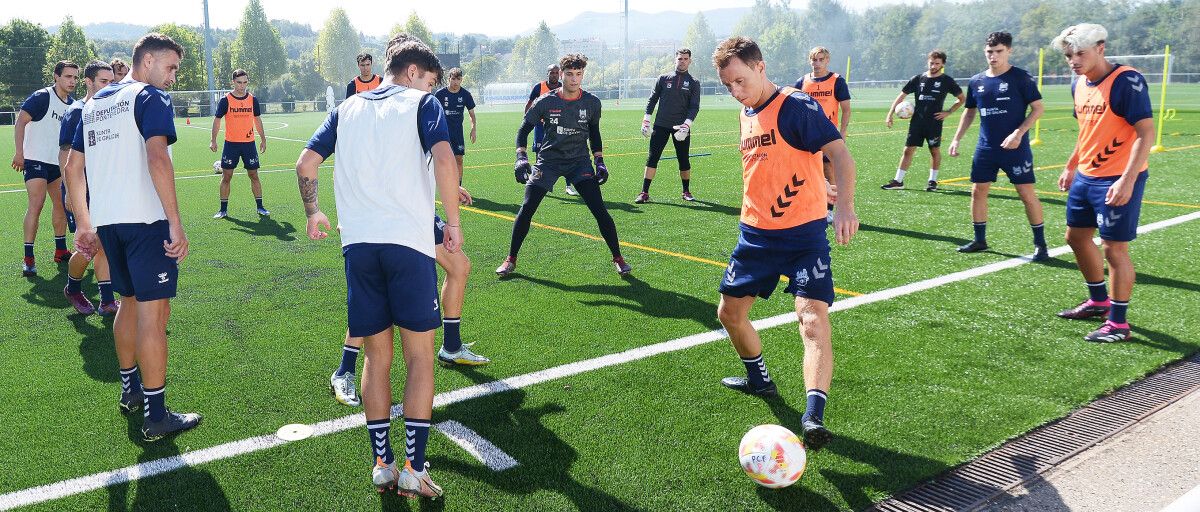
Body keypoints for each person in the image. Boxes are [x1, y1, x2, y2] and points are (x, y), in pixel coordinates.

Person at [296, 34, 458, 498]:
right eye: (428, 81)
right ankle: (415, 466)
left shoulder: (347, 107)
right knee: (420, 356)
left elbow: (306, 163)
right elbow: (444, 157)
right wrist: (453, 224)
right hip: (408, 244)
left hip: (359, 247)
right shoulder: (420, 104)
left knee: (376, 357)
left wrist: (313, 212)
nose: (430, 89)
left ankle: (382, 465)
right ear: (413, 73)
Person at [712, 36, 858, 451]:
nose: (736, 91)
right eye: (728, 86)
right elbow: (784, 165)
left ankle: (813, 416)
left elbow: (840, 155)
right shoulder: (745, 113)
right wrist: (818, 183)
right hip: (755, 236)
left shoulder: (796, 105)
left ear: (760, 66)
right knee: (729, 314)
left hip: (804, 236)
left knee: (811, 319)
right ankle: (759, 380)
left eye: (740, 80)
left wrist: (844, 205)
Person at [66, 33, 201, 441]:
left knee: (127, 304)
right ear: (146, 61)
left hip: (109, 222)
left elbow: (73, 168)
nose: (173, 77)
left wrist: (86, 223)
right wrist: (175, 222)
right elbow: (157, 156)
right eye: (170, 67)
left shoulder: (93, 103)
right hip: (146, 222)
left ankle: (131, 391)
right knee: (154, 317)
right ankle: (156, 415)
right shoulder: (149, 97)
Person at [330, 186, 491, 410]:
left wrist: (448, 184)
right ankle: (344, 370)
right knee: (377, 294)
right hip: (382, 216)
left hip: (416, 212)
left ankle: (451, 347)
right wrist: (344, 215)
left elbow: (418, 162)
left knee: (459, 266)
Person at [1052, 23, 1154, 343]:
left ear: (1101, 48)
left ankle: (1119, 324)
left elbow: (1145, 133)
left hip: (1119, 177)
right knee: (1076, 237)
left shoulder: (1127, 81)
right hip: (1086, 176)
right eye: (1069, 55)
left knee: (1114, 249)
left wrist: (1127, 179)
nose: (1074, 60)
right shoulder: (1077, 83)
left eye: (1080, 53)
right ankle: (1098, 301)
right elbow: (1088, 132)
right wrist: (1071, 166)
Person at [497, 54, 630, 277]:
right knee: (527, 208)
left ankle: (618, 257)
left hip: (579, 162)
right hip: (548, 161)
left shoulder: (592, 103)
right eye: (569, 74)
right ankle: (510, 259)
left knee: (599, 210)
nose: (574, 79)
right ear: (561, 75)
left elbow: (595, 134)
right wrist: (520, 157)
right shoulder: (545, 102)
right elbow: (523, 130)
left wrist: (600, 161)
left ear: (583, 75)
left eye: (578, 74)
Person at [948, 32, 1048, 260]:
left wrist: (1019, 133)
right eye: (989, 52)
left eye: (998, 52)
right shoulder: (976, 81)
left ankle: (1040, 245)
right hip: (986, 148)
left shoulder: (1021, 78)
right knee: (978, 191)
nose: (993, 56)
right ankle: (979, 239)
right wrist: (956, 138)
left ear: (1009, 51)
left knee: (1026, 194)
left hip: (1016, 148)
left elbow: (1038, 108)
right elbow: (969, 112)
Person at [59, 60, 119, 316]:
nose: (109, 86)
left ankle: (106, 300)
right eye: (104, 81)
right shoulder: (77, 111)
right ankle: (73, 288)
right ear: (89, 82)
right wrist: (71, 194)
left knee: (104, 244)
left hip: (103, 190)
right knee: (89, 246)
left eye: (111, 82)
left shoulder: (108, 110)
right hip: (81, 192)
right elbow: (65, 156)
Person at [12, 60, 77, 276]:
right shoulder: (42, 97)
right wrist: (19, 153)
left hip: (58, 165)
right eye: (68, 76)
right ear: (56, 76)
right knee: (37, 204)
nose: (72, 81)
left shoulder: (73, 104)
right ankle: (28, 257)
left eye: (75, 77)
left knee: (61, 205)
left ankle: (60, 250)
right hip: (35, 160)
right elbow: (20, 121)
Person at [881, 50, 965, 191]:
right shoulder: (918, 79)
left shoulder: (947, 81)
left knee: (934, 151)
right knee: (908, 150)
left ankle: (932, 181)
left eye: (937, 63)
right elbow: (901, 97)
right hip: (917, 122)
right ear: (928, 61)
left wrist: (948, 112)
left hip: (934, 123)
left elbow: (962, 99)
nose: (933, 66)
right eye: (931, 63)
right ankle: (898, 181)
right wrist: (889, 114)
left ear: (943, 64)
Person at [636, 48, 701, 204]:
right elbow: (652, 100)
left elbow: (694, 106)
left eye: (685, 59)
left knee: (683, 159)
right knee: (652, 158)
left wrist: (687, 125)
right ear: (675, 59)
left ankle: (686, 191)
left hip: (681, 128)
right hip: (661, 125)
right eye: (680, 58)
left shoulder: (694, 82)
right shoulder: (663, 78)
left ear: (689, 61)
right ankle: (644, 192)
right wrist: (646, 120)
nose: (682, 61)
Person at [795, 46, 851, 221]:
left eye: (821, 59)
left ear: (827, 60)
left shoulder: (837, 81)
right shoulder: (802, 82)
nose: (817, 63)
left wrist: (842, 132)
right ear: (809, 61)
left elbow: (846, 109)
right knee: (806, 170)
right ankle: (809, 206)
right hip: (805, 136)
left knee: (828, 170)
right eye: (814, 60)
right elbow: (793, 108)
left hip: (827, 135)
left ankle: (829, 209)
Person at [210, 69, 268, 218]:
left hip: (249, 144)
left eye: (245, 82)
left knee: (254, 175)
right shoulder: (226, 100)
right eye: (239, 83)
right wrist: (213, 140)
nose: (242, 86)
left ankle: (260, 207)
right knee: (226, 176)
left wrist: (263, 138)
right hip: (231, 145)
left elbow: (257, 119)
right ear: (233, 82)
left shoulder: (252, 100)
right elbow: (217, 120)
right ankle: (223, 210)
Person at [527, 64, 575, 196]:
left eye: (556, 72)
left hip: (558, 126)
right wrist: (528, 122)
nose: (554, 75)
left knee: (566, 152)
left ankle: (568, 186)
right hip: (541, 126)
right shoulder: (539, 87)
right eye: (551, 72)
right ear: (547, 74)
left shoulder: (563, 87)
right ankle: (538, 182)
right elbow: (529, 104)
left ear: (559, 74)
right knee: (539, 153)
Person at [433, 67, 477, 182]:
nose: (455, 82)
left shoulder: (466, 94)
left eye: (458, 79)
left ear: (461, 80)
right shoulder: (440, 94)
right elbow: (433, 112)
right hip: (442, 133)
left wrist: (473, 129)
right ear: (449, 79)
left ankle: (458, 186)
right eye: (453, 79)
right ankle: (443, 185)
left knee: (459, 160)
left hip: (457, 133)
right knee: (443, 160)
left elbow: (472, 114)